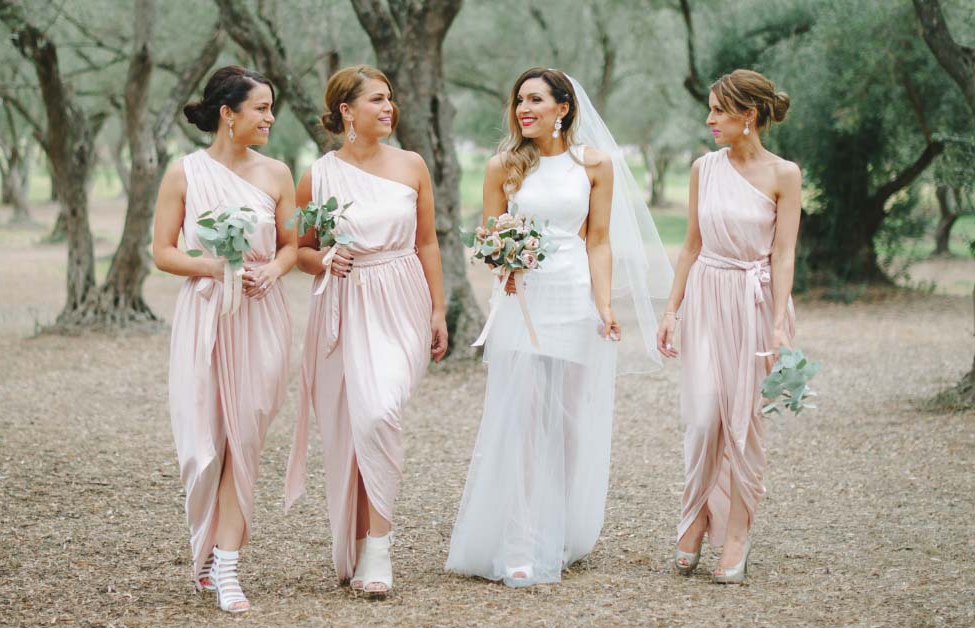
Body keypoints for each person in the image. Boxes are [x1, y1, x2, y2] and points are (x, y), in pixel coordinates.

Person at [445, 67, 671, 587]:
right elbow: (489, 233)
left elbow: (598, 240)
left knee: (566, 420)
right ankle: (521, 540)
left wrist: (604, 304)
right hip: (522, 300)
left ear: (563, 108)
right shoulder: (503, 165)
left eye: (536, 100)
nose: (524, 109)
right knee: (523, 417)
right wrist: (503, 261)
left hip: (572, 297)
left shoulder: (594, 164)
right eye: (519, 99)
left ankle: (558, 526)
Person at [284, 65, 448, 596]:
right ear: (346, 111)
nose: (388, 107)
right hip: (346, 304)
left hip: (402, 297)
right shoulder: (319, 174)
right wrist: (326, 257)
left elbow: (427, 243)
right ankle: (359, 540)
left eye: (390, 98)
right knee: (350, 425)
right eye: (376, 99)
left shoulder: (412, 164)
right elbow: (300, 250)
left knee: (380, 411)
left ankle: (380, 545)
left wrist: (439, 311)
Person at [152, 66, 297, 612]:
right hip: (206, 312)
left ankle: (228, 566)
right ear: (227, 114)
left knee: (244, 441)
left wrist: (274, 270)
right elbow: (163, 251)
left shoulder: (279, 173)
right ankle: (204, 547)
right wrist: (213, 267)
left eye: (271, 107)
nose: (270, 117)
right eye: (260, 107)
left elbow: (291, 244)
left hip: (261, 315)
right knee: (202, 447)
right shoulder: (183, 173)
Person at [658, 69, 801, 584]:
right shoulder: (703, 168)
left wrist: (780, 323)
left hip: (756, 301)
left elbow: (783, 254)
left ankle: (736, 533)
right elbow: (692, 245)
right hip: (707, 293)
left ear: (750, 116)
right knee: (702, 417)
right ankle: (697, 511)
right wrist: (671, 310)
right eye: (711, 109)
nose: (710, 118)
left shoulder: (785, 174)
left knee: (744, 423)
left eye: (719, 110)